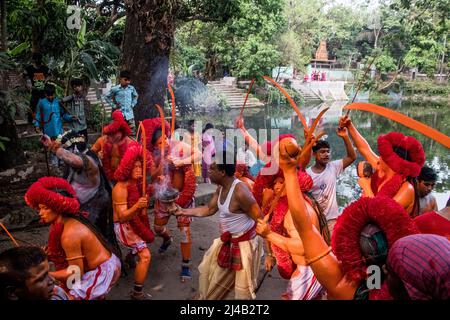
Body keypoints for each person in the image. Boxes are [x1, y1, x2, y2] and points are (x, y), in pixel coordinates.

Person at [273, 146, 426, 299]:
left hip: (376, 265)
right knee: (375, 284)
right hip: (384, 263)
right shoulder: (404, 289)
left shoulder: (340, 284)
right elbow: (365, 149)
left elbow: (304, 227)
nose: (377, 159)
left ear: (354, 252)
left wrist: (289, 172)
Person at [174, 149, 266, 300]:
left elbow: (261, 221)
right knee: (210, 277)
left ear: (222, 172)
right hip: (227, 242)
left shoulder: (241, 192)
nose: (208, 171)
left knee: (243, 293)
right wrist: (183, 211)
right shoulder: (221, 187)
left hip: (245, 247)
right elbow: (209, 209)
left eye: (212, 169)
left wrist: (271, 254)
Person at [24, 177, 121, 300]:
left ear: (57, 207)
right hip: (104, 264)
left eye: (45, 208)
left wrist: (45, 275)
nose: (40, 213)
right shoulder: (70, 221)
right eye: (40, 208)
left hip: (101, 272)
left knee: (68, 297)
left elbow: (75, 274)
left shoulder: (69, 234)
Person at [41, 131, 119, 250]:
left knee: (96, 239)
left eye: (67, 149)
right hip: (81, 207)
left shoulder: (89, 161)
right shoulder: (76, 162)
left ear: (75, 149)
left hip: (95, 207)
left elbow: (74, 160)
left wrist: (54, 148)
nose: (65, 154)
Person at [143, 118, 199, 282]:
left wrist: (181, 161)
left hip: (183, 195)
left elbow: (199, 154)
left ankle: (186, 265)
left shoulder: (178, 145)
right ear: (154, 145)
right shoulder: (152, 154)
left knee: (184, 232)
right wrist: (161, 167)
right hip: (164, 197)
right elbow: (151, 175)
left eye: (165, 140)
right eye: (159, 143)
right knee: (158, 228)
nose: (164, 143)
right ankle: (167, 238)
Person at [341, 116, 426, 216]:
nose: (378, 158)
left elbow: (381, 214)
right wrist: (349, 126)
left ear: (391, 162)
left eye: (382, 155)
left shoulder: (407, 188)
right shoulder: (381, 168)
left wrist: (366, 186)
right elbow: (364, 149)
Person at [112, 145, 154, 300]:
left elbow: (144, 194)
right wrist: (138, 206)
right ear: (127, 168)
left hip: (132, 221)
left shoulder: (136, 183)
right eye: (135, 166)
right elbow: (122, 217)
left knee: (144, 241)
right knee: (146, 255)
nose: (139, 169)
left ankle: (129, 258)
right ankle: (137, 293)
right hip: (123, 227)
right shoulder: (120, 188)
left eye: (140, 166)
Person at [306, 126, 356, 235]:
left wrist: (345, 137)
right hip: (314, 220)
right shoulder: (307, 174)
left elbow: (352, 157)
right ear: (314, 154)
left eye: (328, 151)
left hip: (332, 220)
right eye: (322, 152)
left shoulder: (333, 167)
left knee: (332, 249)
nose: (326, 154)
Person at [0, 246, 69, 300]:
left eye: (47, 273)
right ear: (12, 293)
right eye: (41, 279)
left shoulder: (58, 294)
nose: (52, 280)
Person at [91, 110, 139, 182]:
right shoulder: (102, 140)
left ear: (121, 131)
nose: (111, 137)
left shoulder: (131, 144)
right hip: (106, 177)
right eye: (109, 134)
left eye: (114, 133)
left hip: (124, 179)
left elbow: (139, 164)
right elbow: (90, 154)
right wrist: (97, 156)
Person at [34, 84, 75, 166]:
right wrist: (36, 125)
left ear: (54, 94)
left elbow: (63, 115)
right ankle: (54, 164)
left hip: (59, 129)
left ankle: (62, 161)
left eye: (52, 95)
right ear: (45, 94)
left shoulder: (57, 102)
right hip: (48, 130)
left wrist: (70, 117)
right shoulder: (41, 102)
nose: (50, 97)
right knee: (51, 148)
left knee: (61, 146)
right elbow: (37, 115)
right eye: (48, 95)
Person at [104, 70, 138, 135]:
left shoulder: (131, 88)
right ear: (120, 79)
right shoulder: (115, 89)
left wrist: (132, 104)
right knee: (119, 134)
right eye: (125, 80)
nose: (127, 82)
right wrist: (114, 105)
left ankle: (132, 145)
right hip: (119, 115)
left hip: (130, 116)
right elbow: (106, 97)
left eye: (129, 80)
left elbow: (135, 96)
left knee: (132, 134)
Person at [23, 52, 51, 124]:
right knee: (32, 105)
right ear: (33, 60)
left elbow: (50, 75)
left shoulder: (45, 68)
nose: (38, 61)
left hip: (43, 91)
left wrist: (45, 80)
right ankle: (29, 121)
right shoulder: (29, 68)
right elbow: (24, 76)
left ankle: (45, 121)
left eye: (39, 60)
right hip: (34, 90)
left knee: (45, 105)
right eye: (36, 59)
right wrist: (28, 83)